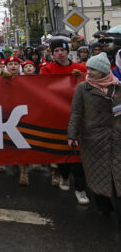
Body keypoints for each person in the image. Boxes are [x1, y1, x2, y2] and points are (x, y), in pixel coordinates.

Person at [67, 53, 119, 214]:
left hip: (116, 137)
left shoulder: (117, 87)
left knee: (116, 173)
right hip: (93, 138)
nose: (89, 71)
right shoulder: (84, 88)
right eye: (88, 68)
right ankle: (103, 206)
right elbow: (76, 113)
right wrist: (72, 135)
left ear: (103, 70)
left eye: (93, 69)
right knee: (97, 173)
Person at [41, 38, 89, 196]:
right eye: (56, 51)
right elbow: (41, 89)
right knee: (62, 149)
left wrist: (81, 77)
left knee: (78, 152)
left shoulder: (80, 68)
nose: (60, 53)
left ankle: (81, 189)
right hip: (58, 117)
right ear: (52, 54)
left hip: (78, 116)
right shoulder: (47, 70)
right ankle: (64, 175)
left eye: (62, 50)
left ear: (68, 52)